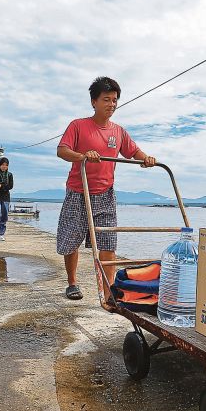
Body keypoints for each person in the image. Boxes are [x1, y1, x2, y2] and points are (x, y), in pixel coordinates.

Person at [56, 76, 156, 300]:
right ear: (94, 102)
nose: (111, 104)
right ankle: (72, 283)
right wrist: (83, 156)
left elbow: (133, 151)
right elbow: (62, 150)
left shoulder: (118, 131)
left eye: (114, 100)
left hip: (105, 194)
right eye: (106, 99)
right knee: (71, 240)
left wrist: (146, 158)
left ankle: (109, 289)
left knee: (108, 242)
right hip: (78, 192)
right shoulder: (78, 126)